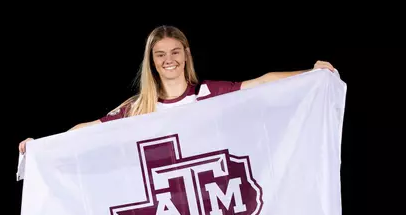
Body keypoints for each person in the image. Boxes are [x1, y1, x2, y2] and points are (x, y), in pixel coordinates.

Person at [18, 25, 335, 154]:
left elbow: (262, 83)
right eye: (160, 54)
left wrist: (311, 72)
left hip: (209, 201)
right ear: (152, 61)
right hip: (161, 203)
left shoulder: (209, 93)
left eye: (174, 52)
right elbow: (89, 129)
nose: (168, 59)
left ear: (186, 54)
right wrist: (41, 146)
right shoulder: (139, 106)